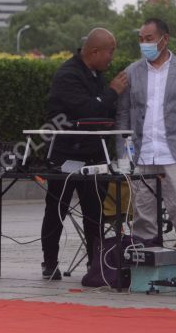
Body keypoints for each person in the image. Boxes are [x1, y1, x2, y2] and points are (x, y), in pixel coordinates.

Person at [115, 18, 176, 279]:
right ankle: (149, 263)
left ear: (164, 39)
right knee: (143, 213)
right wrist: (123, 154)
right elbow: (122, 116)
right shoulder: (132, 72)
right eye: (141, 39)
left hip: (175, 154)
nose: (144, 43)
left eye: (149, 38)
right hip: (142, 154)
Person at [40, 28, 128, 280]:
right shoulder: (68, 75)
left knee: (95, 211)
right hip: (65, 154)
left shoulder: (96, 75)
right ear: (94, 51)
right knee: (57, 209)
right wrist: (111, 92)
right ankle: (49, 262)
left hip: (93, 154)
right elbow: (88, 110)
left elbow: (103, 114)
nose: (112, 57)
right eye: (110, 51)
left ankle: (95, 262)